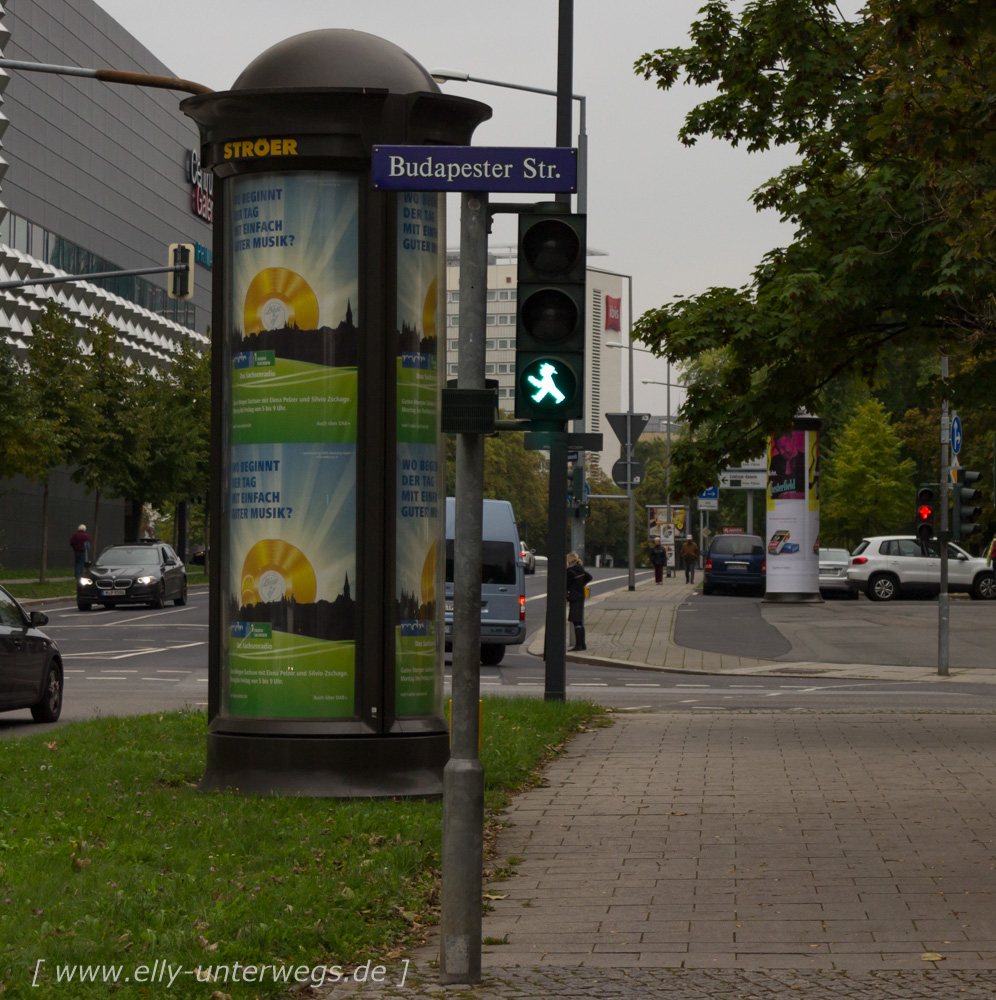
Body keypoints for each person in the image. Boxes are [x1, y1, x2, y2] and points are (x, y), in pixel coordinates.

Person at [566, 551, 593, 651]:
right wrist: (581, 584)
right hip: (580, 595)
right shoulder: (580, 569)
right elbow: (589, 577)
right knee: (579, 621)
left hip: (574, 597)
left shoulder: (570, 571)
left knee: (576, 621)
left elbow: (566, 584)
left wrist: (572, 588)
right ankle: (582, 644)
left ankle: (578, 645)